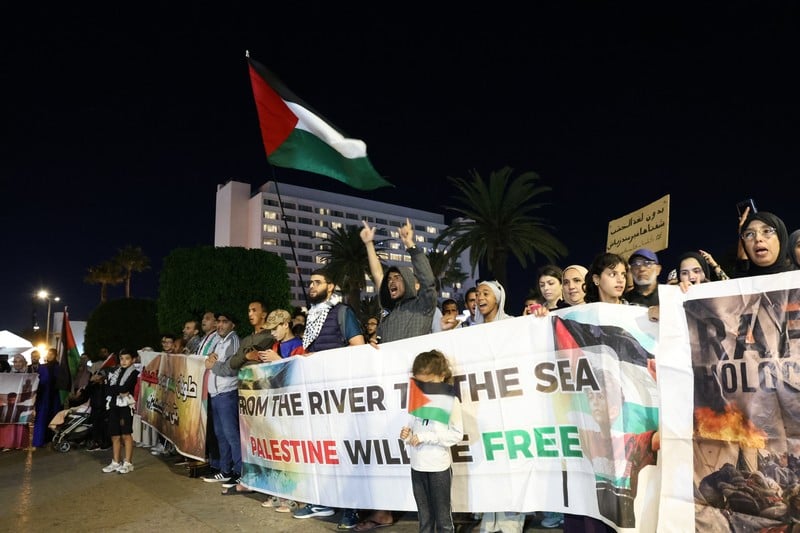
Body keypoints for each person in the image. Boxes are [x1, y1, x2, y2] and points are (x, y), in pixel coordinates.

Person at [293, 271, 364, 527]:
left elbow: (358, 347)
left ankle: (351, 508)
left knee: (344, 453)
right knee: (321, 451)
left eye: (317, 282)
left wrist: (324, 361)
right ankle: (322, 502)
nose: (312, 286)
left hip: (339, 393)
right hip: (316, 395)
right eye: (310, 282)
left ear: (331, 286)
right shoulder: (312, 315)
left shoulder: (342, 312)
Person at [400, 350, 463, 533]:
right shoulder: (418, 399)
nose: (425, 387)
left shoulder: (451, 401)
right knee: (424, 517)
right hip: (417, 466)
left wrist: (426, 438)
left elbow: (457, 434)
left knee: (443, 518)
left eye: (430, 383)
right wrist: (407, 434)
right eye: (421, 383)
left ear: (442, 377)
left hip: (438, 468)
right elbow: (413, 424)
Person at [202, 311, 242, 490]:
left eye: (224, 322)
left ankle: (239, 473)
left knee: (232, 435)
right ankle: (225, 470)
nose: (220, 325)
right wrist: (210, 359)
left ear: (233, 325)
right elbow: (211, 361)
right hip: (216, 394)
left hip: (227, 394)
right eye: (218, 321)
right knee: (220, 435)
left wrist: (213, 365)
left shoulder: (234, 341)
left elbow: (231, 369)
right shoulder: (219, 341)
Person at [101, 349, 140, 474]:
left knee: (126, 434)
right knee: (115, 435)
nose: (123, 361)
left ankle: (128, 462)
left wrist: (117, 389)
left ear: (133, 359)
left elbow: (126, 387)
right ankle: (115, 461)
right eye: (122, 358)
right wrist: (118, 390)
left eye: (127, 358)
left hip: (125, 406)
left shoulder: (134, 373)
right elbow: (109, 389)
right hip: (113, 405)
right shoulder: (116, 372)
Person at [735, 211, 797, 276]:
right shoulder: (740, 283)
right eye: (749, 234)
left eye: (766, 231)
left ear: (781, 238)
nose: (758, 238)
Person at [32, 348, 61, 447]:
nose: (49, 356)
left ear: (55, 356)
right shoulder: (44, 366)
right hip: (44, 396)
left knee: (50, 418)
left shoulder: (57, 367)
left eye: (51, 354)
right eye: (48, 354)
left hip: (51, 396)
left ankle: (48, 439)